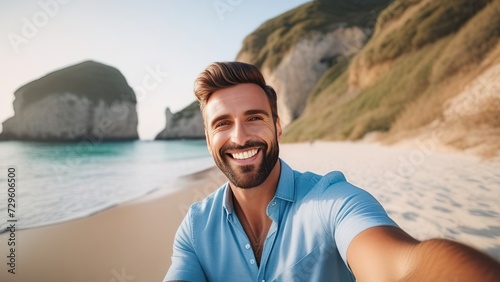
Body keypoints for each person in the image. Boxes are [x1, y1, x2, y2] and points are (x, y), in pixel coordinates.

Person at [164, 61, 500, 281]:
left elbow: (403, 266)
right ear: (208, 141)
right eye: (223, 124)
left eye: (255, 118)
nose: (239, 137)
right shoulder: (195, 229)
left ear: (278, 127)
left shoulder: (333, 202)